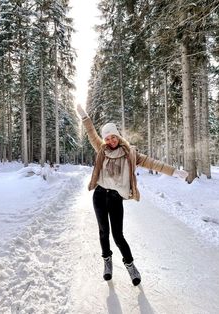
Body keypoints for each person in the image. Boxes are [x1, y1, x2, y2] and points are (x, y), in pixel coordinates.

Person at [77, 104, 188, 286]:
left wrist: (175, 172)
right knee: (103, 232)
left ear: (118, 136)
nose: (111, 140)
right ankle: (107, 262)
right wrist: (84, 117)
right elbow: (91, 132)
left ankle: (130, 265)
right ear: (104, 140)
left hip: (115, 198)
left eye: (114, 136)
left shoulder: (130, 154)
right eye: (108, 138)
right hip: (99, 195)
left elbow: (154, 164)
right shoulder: (101, 150)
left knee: (118, 235)